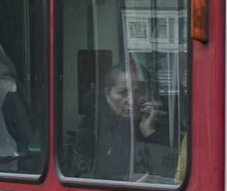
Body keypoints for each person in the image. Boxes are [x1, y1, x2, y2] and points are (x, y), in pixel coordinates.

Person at [72, 56, 177, 184]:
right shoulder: (92, 127)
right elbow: (83, 176)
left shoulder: (161, 125)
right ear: (107, 94)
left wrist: (150, 132)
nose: (131, 101)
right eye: (122, 93)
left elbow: (171, 173)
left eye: (138, 92)